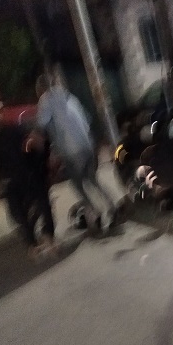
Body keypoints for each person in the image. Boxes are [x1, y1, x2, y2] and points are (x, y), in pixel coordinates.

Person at [34, 74, 117, 229]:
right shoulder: (69, 96)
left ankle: (95, 213)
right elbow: (87, 119)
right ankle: (111, 206)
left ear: (41, 89)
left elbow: (41, 125)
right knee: (92, 179)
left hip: (72, 149)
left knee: (77, 184)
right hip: (88, 144)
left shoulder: (46, 99)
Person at [0, 112, 57, 258]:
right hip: (28, 173)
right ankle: (48, 238)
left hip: (9, 180)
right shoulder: (14, 129)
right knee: (43, 202)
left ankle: (32, 245)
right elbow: (33, 144)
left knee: (19, 214)